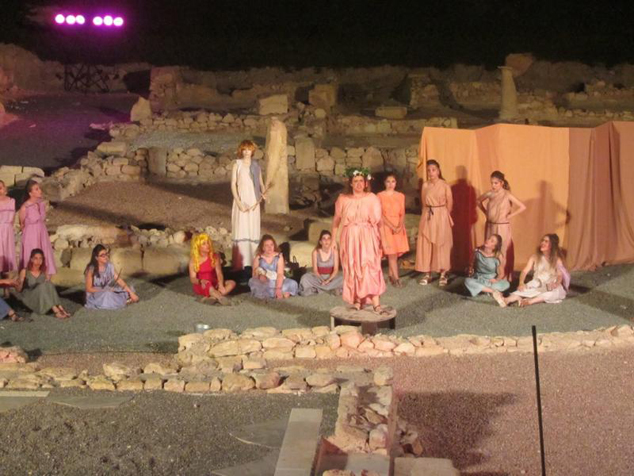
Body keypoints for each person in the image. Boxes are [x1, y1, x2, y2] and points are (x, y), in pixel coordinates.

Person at [332, 167, 387, 313]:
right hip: (350, 237)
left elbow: (380, 221)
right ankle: (357, 301)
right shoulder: (343, 199)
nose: (358, 184)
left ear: (366, 182)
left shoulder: (372, 198)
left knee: (370, 266)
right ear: (350, 183)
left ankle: (376, 303)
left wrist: (384, 241)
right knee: (353, 267)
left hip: (368, 236)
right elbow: (336, 220)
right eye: (355, 181)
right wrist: (333, 240)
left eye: (361, 181)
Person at [477, 170, 526, 278]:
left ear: (501, 183)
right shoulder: (490, 193)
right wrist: (485, 212)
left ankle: (502, 275)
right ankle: (490, 274)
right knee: (489, 249)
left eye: (496, 183)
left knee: (502, 249)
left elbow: (522, 207)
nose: (493, 185)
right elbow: (478, 201)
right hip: (490, 225)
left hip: (502, 226)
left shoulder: (507, 194)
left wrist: (510, 216)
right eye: (492, 183)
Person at [502, 234, 570, 307]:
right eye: (542, 240)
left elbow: (560, 275)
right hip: (537, 282)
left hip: (550, 284)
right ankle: (506, 300)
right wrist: (521, 283)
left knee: (550, 294)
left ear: (552, 245)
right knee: (522, 290)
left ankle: (529, 302)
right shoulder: (534, 257)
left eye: (546, 241)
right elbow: (524, 271)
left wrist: (556, 284)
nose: (542, 243)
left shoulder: (557, 260)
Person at [415, 160, 453, 286]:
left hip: (441, 215)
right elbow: (424, 203)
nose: (431, 173)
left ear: (438, 171)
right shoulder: (425, 185)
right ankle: (428, 273)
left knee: (442, 243)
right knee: (426, 243)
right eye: (429, 170)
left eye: (433, 170)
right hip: (428, 214)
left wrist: (442, 216)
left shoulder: (444, 185)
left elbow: (450, 203)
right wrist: (426, 216)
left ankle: (443, 273)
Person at [231, 140, 266, 271]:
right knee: (242, 228)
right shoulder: (237, 164)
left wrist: (263, 193)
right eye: (244, 149)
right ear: (241, 151)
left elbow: (261, 183)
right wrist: (239, 202)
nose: (247, 152)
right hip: (242, 200)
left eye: (249, 149)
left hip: (253, 201)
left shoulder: (256, 165)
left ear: (253, 151)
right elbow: (233, 184)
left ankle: (253, 263)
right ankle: (240, 264)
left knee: (252, 229)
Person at [16, 248, 71, 319]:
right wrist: (19, 282)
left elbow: (48, 289)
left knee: (49, 284)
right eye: (36, 258)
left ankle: (61, 308)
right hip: (29, 297)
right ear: (31, 259)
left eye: (40, 258)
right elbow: (19, 290)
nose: (38, 261)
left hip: (41, 298)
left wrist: (47, 280)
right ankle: (56, 311)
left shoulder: (44, 272)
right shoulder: (24, 271)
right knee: (41, 286)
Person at [19, 180, 57, 277]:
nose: (40, 190)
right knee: (32, 252)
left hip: (41, 231)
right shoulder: (25, 207)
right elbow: (21, 223)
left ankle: (45, 274)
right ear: (30, 193)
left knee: (44, 250)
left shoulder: (41, 204)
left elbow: (42, 218)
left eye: (39, 188)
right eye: (36, 189)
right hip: (31, 234)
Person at [377, 173, 409, 287]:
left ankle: (391, 275)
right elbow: (380, 214)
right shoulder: (379, 196)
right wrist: (392, 226)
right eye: (388, 181)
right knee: (391, 253)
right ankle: (396, 278)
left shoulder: (400, 196)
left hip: (398, 225)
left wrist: (399, 226)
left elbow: (402, 212)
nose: (391, 184)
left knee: (394, 253)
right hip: (386, 226)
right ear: (384, 183)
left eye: (393, 181)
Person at [85, 245, 139, 310]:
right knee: (107, 294)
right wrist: (105, 290)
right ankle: (124, 301)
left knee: (127, 290)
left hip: (107, 289)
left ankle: (126, 299)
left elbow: (119, 280)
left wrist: (131, 292)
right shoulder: (91, 269)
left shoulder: (109, 266)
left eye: (106, 254)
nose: (106, 257)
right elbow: (89, 289)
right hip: (96, 293)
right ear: (96, 258)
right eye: (102, 255)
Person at [189, 233, 236, 305]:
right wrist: (200, 281)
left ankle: (213, 297)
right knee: (208, 284)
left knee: (232, 283)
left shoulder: (215, 257)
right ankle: (220, 298)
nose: (207, 245)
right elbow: (192, 279)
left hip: (214, 282)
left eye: (208, 242)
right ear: (198, 247)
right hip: (202, 284)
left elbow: (219, 273)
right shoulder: (193, 260)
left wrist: (220, 284)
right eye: (204, 244)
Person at [464, 234, 510, 306]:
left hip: (491, 280)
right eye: (489, 238)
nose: (488, 240)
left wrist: (496, 279)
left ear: (494, 247)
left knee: (506, 284)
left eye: (492, 241)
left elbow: (502, 273)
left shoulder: (498, 255)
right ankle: (493, 292)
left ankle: (483, 290)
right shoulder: (477, 251)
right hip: (479, 278)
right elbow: (470, 264)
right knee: (467, 281)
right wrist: (470, 269)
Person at [248, 235, 298, 299]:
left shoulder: (279, 256)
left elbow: (280, 274)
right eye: (267, 245)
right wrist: (260, 276)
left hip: (277, 280)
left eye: (271, 245)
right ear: (263, 247)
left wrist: (278, 288)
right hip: (264, 282)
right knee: (255, 283)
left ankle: (276, 292)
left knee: (293, 283)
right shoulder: (258, 258)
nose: (270, 247)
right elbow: (254, 275)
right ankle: (281, 293)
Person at [299, 230, 344, 296]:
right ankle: (329, 290)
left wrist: (328, 281)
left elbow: (336, 270)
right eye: (324, 239)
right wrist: (322, 281)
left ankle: (318, 290)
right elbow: (315, 270)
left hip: (331, 278)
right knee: (304, 278)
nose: (326, 241)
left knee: (343, 279)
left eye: (328, 238)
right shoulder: (315, 252)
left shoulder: (335, 252)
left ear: (331, 241)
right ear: (320, 242)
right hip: (319, 278)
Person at [0, 181, 17, 288]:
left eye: (0, 187)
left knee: (7, 259)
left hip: (8, 231)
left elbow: (13, 217)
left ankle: (7, 289)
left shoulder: (12, 201)